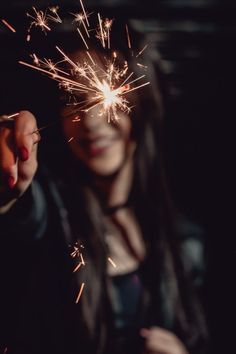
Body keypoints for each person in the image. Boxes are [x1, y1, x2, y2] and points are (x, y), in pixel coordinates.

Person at [0, 20, 208, 354]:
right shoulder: (53, 213)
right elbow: (21, 218)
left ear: (143, 101)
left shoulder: (186, 241)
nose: (91, 119)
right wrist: (7, 192)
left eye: (106, 95)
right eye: (74, 98)